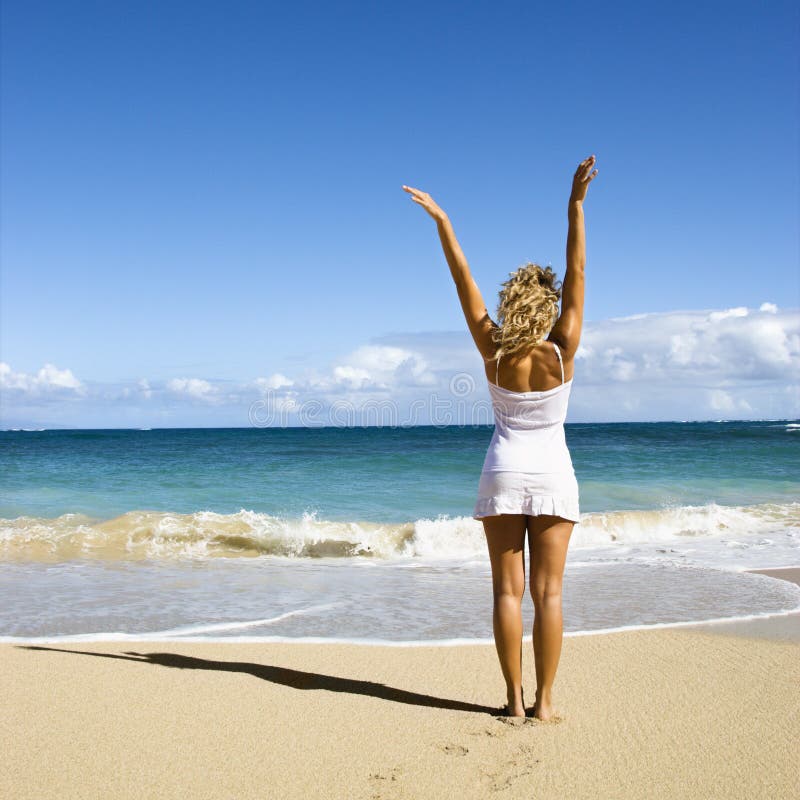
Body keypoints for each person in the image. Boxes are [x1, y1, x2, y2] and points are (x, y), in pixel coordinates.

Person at [402, 155, 598, 720]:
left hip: (504, 470)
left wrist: (444, 222)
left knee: (507, 593)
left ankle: (511, 701)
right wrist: (575, 204)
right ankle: (544, 703)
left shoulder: (493, 349)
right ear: (550, 305)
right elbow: (578, 272)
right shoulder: (563, 346)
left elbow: (462, 281)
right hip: (555, 474)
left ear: (512, 301)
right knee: (550, 595)